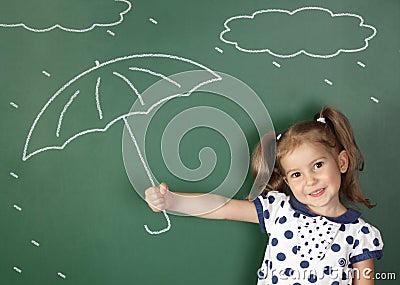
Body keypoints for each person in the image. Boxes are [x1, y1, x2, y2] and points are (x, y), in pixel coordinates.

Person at [144, 106, 383, 285]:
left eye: (318, 165)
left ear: (341, 162)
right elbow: (223, 208)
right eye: (297, 174)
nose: (310, 180)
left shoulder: (360, 234)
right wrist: (173, 201)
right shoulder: (278, 211)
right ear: (287, 181)